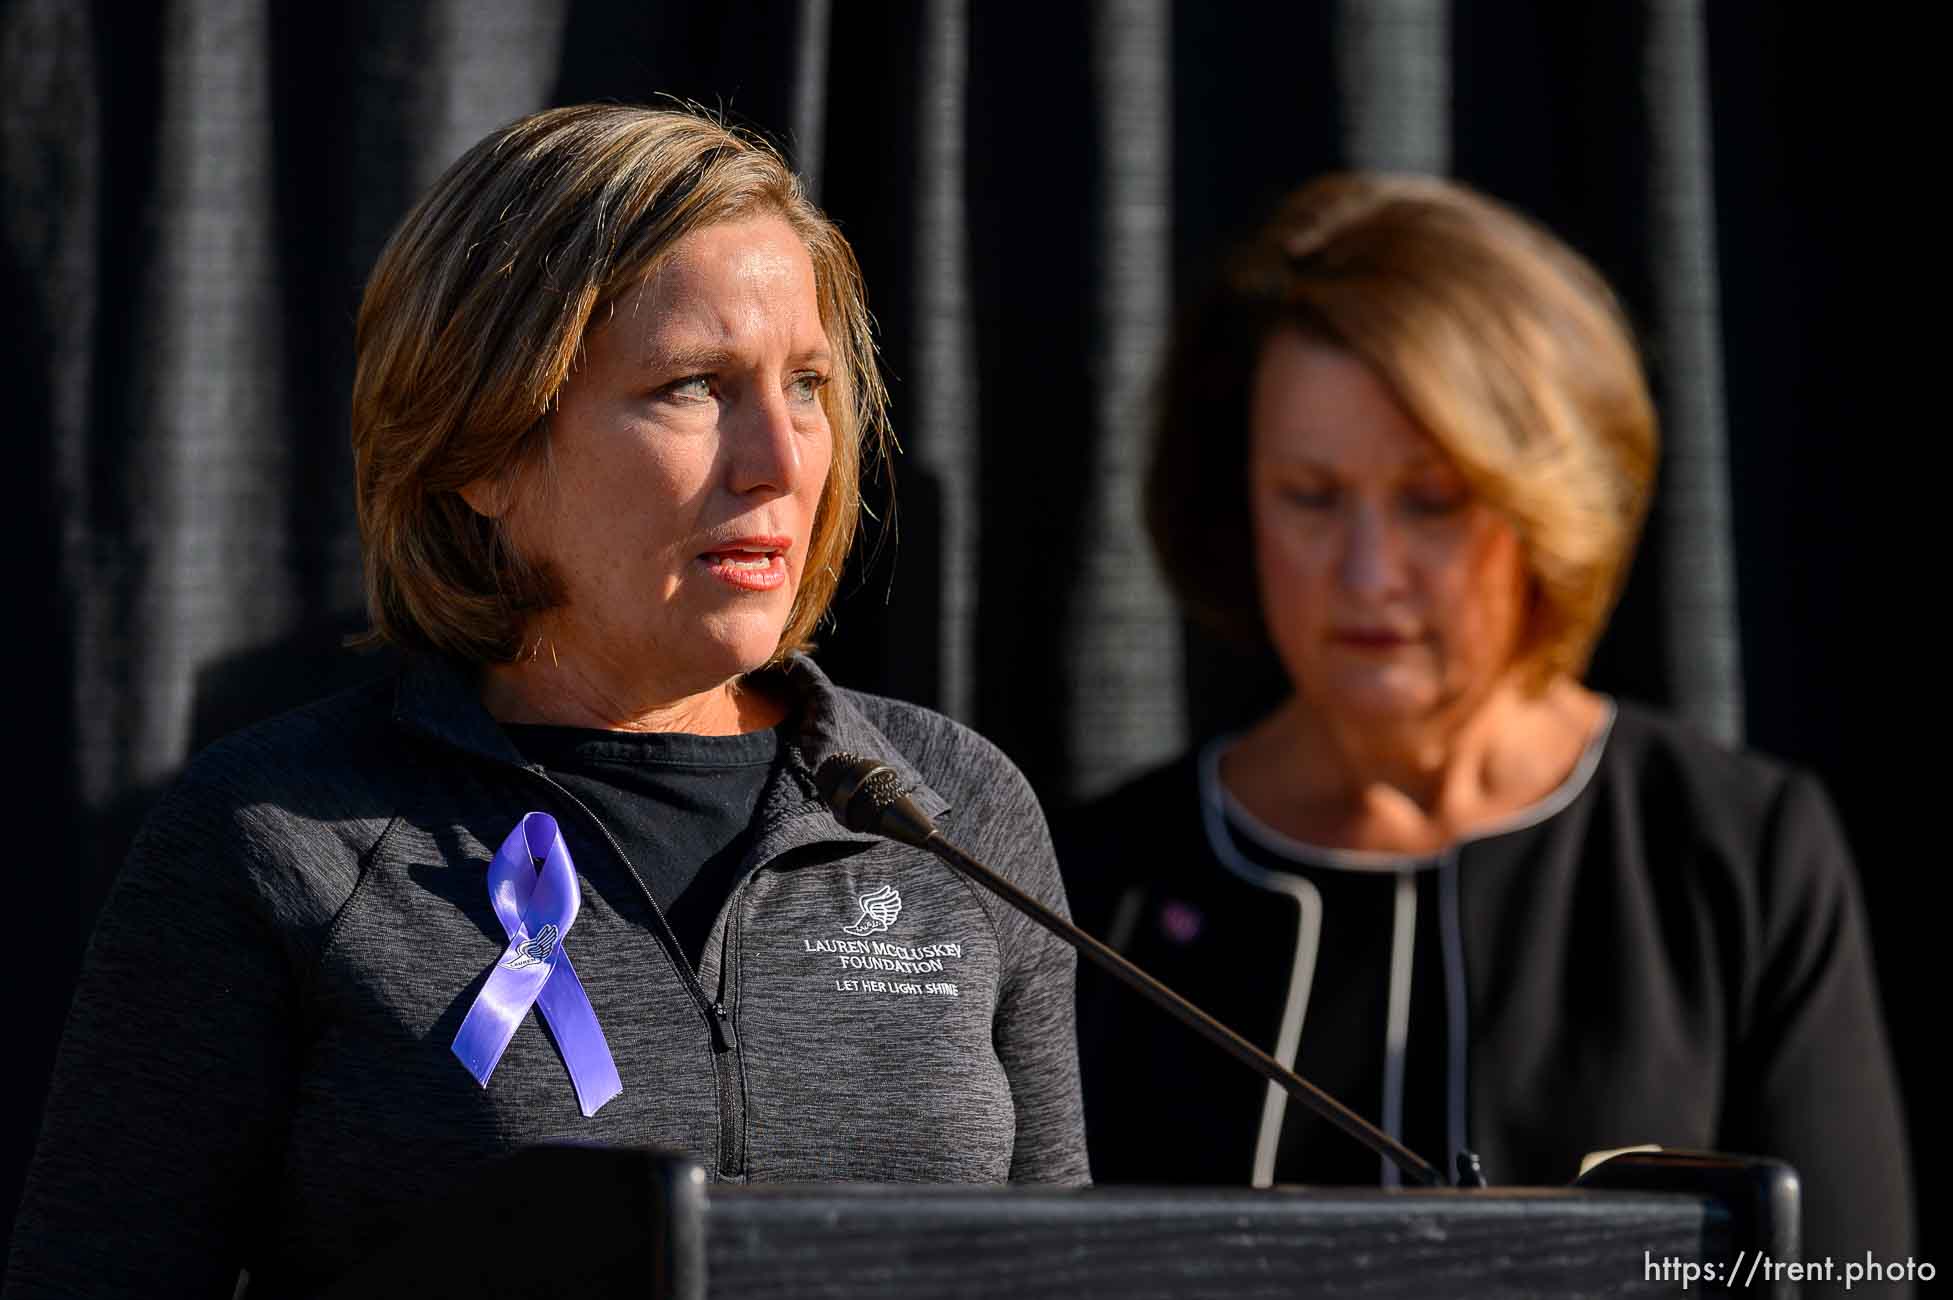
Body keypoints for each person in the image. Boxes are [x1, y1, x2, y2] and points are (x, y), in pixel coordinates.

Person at [7, 105, 1087, 1298]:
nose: (779, 459)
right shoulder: (279, 836)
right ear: (485, 446)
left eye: (810, 385)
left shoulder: (955, 811)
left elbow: (1067, 1272)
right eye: (693, 386)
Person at [1059, 174, 1911, 1281]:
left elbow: (1847, 1272)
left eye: (1432, 501)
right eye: (1311, 496)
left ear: (1550, 506)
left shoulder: (1735, 855)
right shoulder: (1103, 883)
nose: (1367, 576)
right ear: (1237, 499)